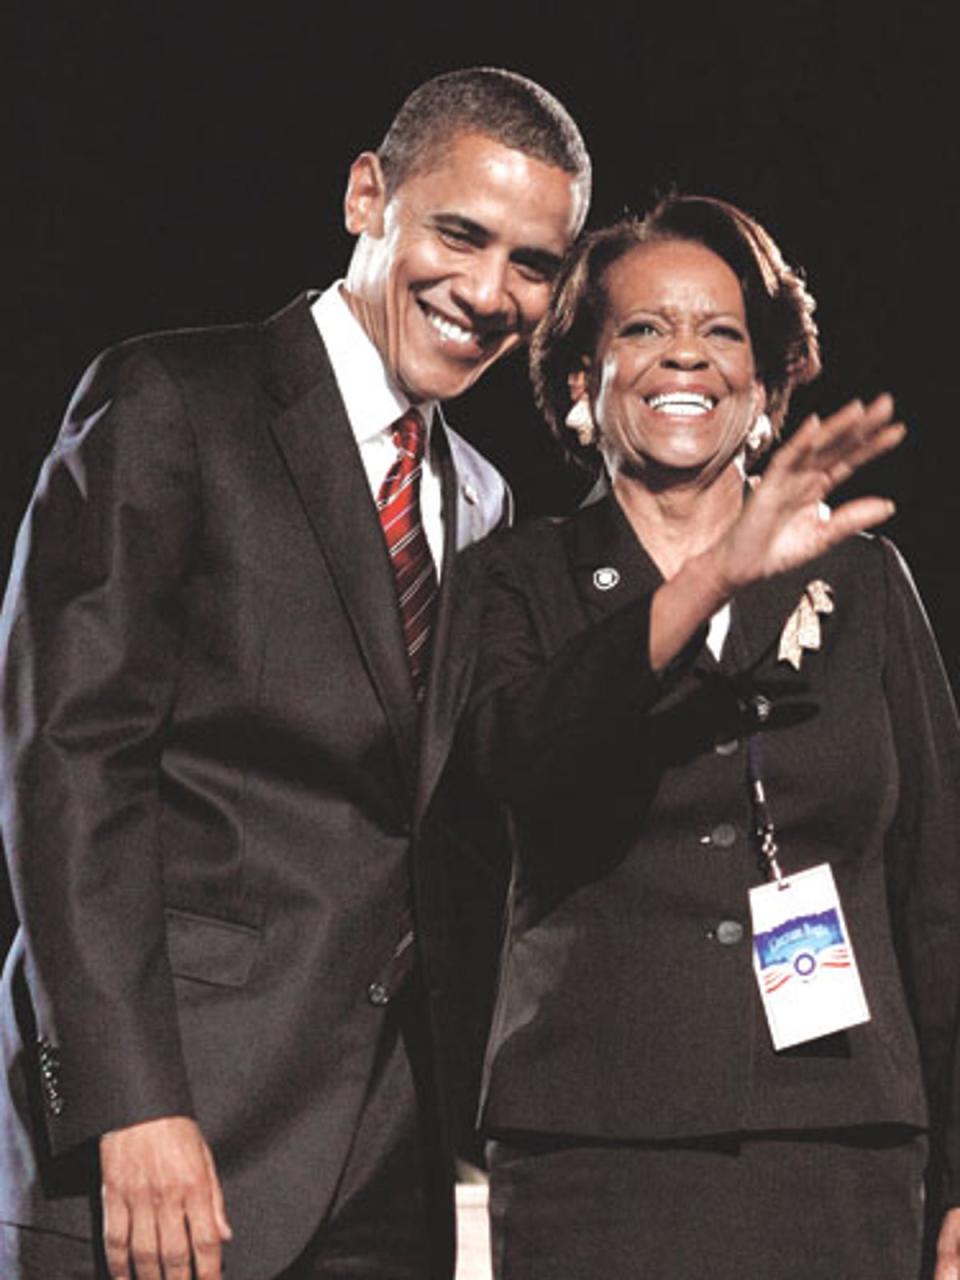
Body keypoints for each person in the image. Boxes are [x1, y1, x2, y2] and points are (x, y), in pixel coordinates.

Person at [0, 67, 590, 1280]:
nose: (488, 293)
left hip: (391, 1162)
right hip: (171, 1140)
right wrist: (127, 1101)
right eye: (461, 234)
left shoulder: (483, 498)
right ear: (368, 195)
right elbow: (64, 764)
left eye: (533, 265)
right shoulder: (171, 400)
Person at [460, 195, 960, 1278]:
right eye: (642, 327)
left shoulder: (864, 578)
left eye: (723, 330)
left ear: (767, 383)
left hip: (838, 1150)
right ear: (582, 380)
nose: (685, 351)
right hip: (596, 1158)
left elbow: (938, 886)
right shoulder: (515, 576)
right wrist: (716, 574)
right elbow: (523, 761)